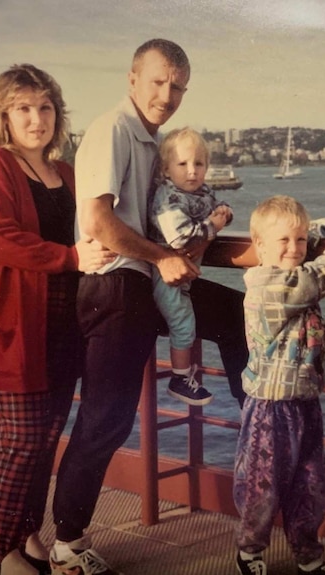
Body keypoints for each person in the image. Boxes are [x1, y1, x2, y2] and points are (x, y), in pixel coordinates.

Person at [49, 39, 246, 575]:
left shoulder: (154, 142)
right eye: (158, 82)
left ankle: (258, 427)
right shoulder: (113, 130)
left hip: (146, 285)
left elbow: (167, 226)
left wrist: (192, 246)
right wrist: (163, 257)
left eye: (178, 86)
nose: (168, 94)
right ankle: (66, 544)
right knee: (105, 419)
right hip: (115, 288)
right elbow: (98, 223)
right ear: (133, 79)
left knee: (235, 316)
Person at [0, 64, 114, 575]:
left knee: (45, 439)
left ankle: (27, 536)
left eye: (45, 107)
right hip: (13, 327)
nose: (36, 118)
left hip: (61, 326)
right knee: (20, 444)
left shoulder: (64, 172)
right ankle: (1, 555)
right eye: (24, 107)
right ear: (4, 114)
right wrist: (71, 258)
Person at [234, 195, 325, 575]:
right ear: (260, 246)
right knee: (262, 485)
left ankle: (307, 554)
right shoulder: (268, 286)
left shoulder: (290, 254)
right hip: (270, 406)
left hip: (304, 399)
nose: (295, 248)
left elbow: (308, 233)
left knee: (310, 484)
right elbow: (317, 277)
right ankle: (249, 550)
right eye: (283, 242)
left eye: (299, 241)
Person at [148, 126, 233, 406]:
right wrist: (215, 225)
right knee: (183, 324)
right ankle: (180, 378)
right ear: (166, 168)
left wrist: (224, 212)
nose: (192, 171)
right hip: (166, 276)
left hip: (185, 276)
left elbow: (215, 203)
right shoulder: (168, 197)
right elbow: (180, 237)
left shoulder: (201, 190)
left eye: (199, 164)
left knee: (189, 319)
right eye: (182, 164)